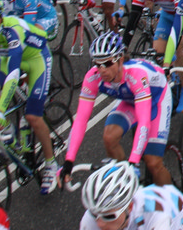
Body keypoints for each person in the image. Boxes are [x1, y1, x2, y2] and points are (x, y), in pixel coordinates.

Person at [0, 0, 58, 194]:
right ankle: (7, 130)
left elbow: (13, 76)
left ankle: (51, 164)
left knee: (33, 116)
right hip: (9, 57)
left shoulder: (12, 30)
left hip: (36, 59)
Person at [61, 32, 174, 187]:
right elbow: (80, 120)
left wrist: (133, 161)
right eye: (97, 64)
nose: (102, 70)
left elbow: (144, 122)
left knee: (153, 163)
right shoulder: (92, 77)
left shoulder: (136, 75)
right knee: (109, 137)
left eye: (107, 63)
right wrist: (69, 160)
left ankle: (170, 199)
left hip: (157, 99)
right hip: (130, 100)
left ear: (120, 59)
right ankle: (126, 183)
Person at [78, 161, 183, 230]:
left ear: (129, 207)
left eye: (108, 216)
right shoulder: (91, 218)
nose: (99, 224)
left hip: (175, 216)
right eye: (94, 214)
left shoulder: (156, 215)